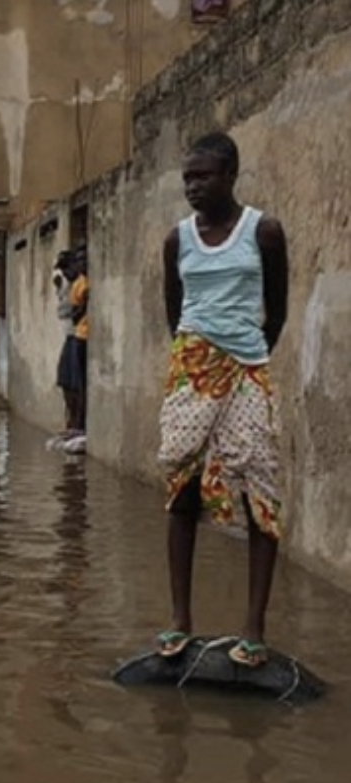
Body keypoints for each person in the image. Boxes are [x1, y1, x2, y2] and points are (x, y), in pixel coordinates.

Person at [155, 131, 288, 668]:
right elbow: (174, 311)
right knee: (181, 488)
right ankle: (180, 621)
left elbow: (276, 311)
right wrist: (199, 357)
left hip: (248, 370)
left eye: (203, 176)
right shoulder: (177, 240)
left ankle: (253, 629)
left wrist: (245, 355)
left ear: (231, 175)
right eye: (188, 177)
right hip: (191, 369)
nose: (193, 186)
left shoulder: (265, 232)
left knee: (260, 490)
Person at [54, 254, 83, 435]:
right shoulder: (66, 286)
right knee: (65, 380)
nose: (66, 272)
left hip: (78, 336)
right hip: (71, 336)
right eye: (64, 269)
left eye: (68, 268)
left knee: (75, 383)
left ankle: (77, 424)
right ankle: (72, 422)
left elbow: (73, 311)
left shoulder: (80, 284)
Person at [68, 249, 90, 433]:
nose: (82, 264)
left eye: (85, 260)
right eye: (80, 261)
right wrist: (85, 304)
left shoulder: (90, 281)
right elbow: (73, 316)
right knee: (81, 383)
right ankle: (80, 424)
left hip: (89, 338)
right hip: (82, 337)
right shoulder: (79, 284)